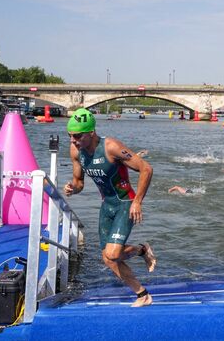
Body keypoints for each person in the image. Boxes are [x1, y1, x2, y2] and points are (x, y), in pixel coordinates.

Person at [64, 108, 156, 307]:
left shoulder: (111, 147)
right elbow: (79, 182)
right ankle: (143, 292)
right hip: (107, 205)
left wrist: (137, 201)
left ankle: (142, 254)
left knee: (113, 254)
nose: (73, 140)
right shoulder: (75, 151)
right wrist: (72, 188)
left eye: (77, 136)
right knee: (107, 258)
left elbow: (146, 169)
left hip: (125, 203)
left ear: (91, 132)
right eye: (70, 135)